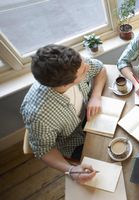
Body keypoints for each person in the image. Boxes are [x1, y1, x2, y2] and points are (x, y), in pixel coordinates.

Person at [20, 44, 107, 182]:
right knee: (107, 161)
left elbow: (100, 68)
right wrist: (71, 170)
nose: (88, 67)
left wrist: (95, 96)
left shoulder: (76, 64)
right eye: (84, 70)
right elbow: (44, 150)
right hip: (72, 141)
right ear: (66, 85)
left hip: (89, 117)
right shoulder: (38, 115)